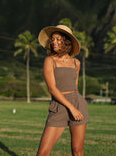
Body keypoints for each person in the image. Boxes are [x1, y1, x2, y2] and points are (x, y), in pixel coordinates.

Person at [37, 25, 90, 156]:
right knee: (43, 152)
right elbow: (52, 89)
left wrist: (76, 105)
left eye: (58, 39)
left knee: (77, 151)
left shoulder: (76, 63)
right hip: (59, 106)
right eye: (53, 39)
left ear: (66, 41)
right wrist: (71, 108)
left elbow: (74, 86)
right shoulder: (49, 61)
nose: (54, 42)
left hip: (78, 105)